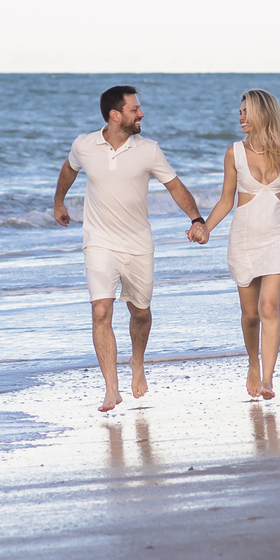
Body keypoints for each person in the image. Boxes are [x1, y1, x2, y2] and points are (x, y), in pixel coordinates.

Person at [54, 85, 208, 412]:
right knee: (100, 311)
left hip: (138, 244)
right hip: (98, 242)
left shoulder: (149, 150)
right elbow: (69, 169)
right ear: (115, 115)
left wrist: (197, 218)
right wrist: (58, 201)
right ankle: (112, 388)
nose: (141, 114)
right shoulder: (85, 145)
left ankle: (137, 361)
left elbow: (175, 187)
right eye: (134, 109)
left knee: (139, 311)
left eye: (138, 109)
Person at [199, 89, 280, 399]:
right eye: (240, 111)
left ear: (262, 114)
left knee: (269, 306)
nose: (240, 117)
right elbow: (225, 200)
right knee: (250, 315)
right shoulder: (234, 152)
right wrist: (205, 227)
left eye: (246, 111)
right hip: (245, 238)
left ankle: (269, 379)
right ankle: (253, 363)